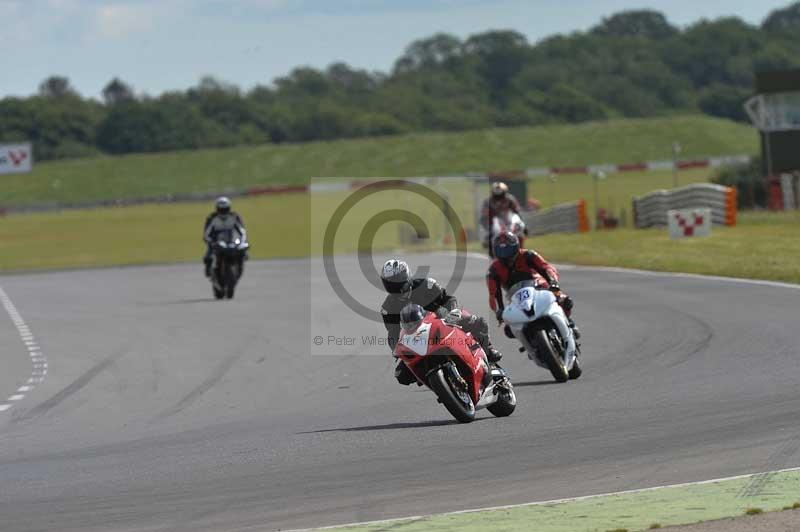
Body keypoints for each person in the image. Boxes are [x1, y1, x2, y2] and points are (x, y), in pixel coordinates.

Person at [380, 259, 503, 386]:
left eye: (398, 279)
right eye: (391, 282)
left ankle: (488, 350)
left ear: (407, 276)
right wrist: (397, 350)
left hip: (444, 320)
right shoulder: (387, 308)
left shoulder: (426, 284)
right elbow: (393, 333)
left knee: (477, 322)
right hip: (418, 338)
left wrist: (452, 312)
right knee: (402, 375)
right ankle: (436, 379)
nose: (396, 285)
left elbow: (448, 299)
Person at [486, 231, 580, 339]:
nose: (505, 254)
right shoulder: (494, 270)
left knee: (564, 300)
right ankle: (532, 345)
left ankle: (570, 323)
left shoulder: (528, 255)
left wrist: (553, 282)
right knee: (509, 330)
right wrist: (499, 310)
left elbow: (547, 267)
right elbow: (493, 294)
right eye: (501, 250)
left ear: (516, 246)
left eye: (508, 249)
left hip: (540, 287)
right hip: (517, 298)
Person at [203, 197, 247, 277]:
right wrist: (211, 242)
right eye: (221, 209)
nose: (223, 212)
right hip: (216, 243)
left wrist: (241, 241)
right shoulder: (212, 218)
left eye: (225, 209)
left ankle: (239, 268)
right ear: (217, 209)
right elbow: (206, 234)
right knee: (208, 258)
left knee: (243, 252)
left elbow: (242, 231)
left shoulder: (234, 217)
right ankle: (210, 271)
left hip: (231, 242)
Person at [480, 182, 522, 249]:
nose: (499, 199)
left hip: (508, 219)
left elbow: (517, 210)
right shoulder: (488, 201)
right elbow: (484, 214)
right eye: (496, 196)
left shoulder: (510, 199)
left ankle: (518, 245)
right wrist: (486, 224)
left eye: (500, 195)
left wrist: (520, 222)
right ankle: (490, 242)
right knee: (490, 230)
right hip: (494, 221)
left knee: (519, 230)